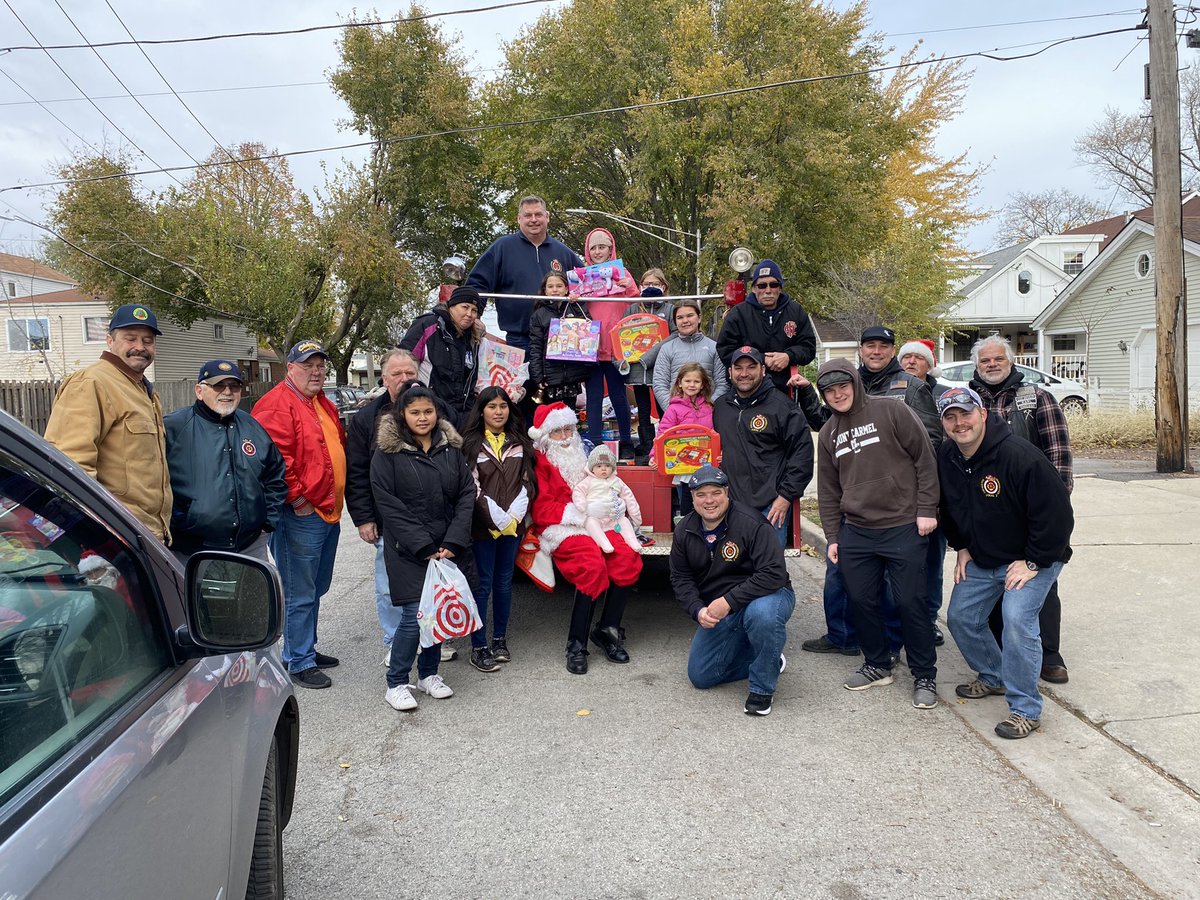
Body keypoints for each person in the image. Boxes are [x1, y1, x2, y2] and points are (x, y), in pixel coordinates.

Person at [938, 387, 1074, 739]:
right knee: (961, 617)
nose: (958, 423)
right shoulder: (947, 457)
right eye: (950, 417)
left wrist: (1033, 561)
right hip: (984, 556)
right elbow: (949, 507)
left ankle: (1025, 709)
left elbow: (1058, 515)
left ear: (983, 414)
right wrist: (962, 545)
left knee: (1016, 620)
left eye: (965, 414)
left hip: (1035, 556)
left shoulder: (1018, 455)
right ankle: (994, 676)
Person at [814, 358, 940, 710]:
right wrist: (833, 536)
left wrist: (927, 509)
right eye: (829, 390)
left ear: (855, 383)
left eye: (843, 386)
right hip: (857, 530)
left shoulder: (891, 411)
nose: (838, 394)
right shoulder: (828, 434)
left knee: (909, 602)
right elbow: (828, 490)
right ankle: (877, 664)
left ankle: (924, 674)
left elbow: (925, 458)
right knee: (861, 601)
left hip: (903, 524)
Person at [968, 335, 1074, 685]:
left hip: (1032, 508)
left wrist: (1056, 503)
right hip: (989, 509)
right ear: (977, 365)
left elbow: (1058, 452)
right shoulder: (967, 401)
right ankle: (1003, 650)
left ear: (1011, 362)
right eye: (986, 361)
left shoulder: (1036, 397)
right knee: (998, 577)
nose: (992, 365)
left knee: (1040, 578)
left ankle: (1049, 652)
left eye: (998, 359)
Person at [371, 384, 475, 711]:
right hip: (409, 549)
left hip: (446, 548)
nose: (422, 418)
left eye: (428, 411)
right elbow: (389, 505)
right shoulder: (387, 453)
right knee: (413, 616)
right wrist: (424, 544)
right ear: (402, 414)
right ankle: (397, 681)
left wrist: (452, 541)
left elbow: (465, 496)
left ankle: (429, 674)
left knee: (437, 611)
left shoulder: (450, 449)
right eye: (414, 412)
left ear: (437, 413)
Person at [253, 340, 346, 690]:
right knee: (299, 589)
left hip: (326, 510)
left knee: (315, 585)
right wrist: (298, 500)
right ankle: (298, 660)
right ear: (290, 368)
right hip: (302, 514)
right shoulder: (278, 404)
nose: (316, 371)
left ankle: (304, 646)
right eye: (308, 365)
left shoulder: (320, 402)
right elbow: (275, 461)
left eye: (320, 365)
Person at [527, 402, 642, 674]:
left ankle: (606, 630)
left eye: (569, 429)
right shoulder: (540, 463)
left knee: (626, 557)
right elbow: (542, 510)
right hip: (563, 525)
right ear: (545, 436)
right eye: (558, 432)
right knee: (591, 565)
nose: (566, 437)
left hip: (599, 522)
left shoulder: (585, 454)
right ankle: (576, 644)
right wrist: (579, 514)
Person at [672, 465, 795, 716]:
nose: (709, 501)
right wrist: (697, 610)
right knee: (701, 676)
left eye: (715, 492)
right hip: (723, 609)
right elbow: (680, 577)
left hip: (767, 594)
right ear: (692, 497)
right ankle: (770, 657)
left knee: (762, 615)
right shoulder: (684, 530)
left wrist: (728, 601)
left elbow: (773, 573)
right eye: (701, 494)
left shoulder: (752, 523)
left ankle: (762, 689)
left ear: (727, 492)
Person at [44, 303, 172, 541]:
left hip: (148, 534)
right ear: (110, 341)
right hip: (115, 536)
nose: (140, 347)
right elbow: (71, 467)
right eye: (130, 338)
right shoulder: (91, 383)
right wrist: (94, 538)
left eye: (147, 340)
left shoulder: (144, 391)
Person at [163, 360, 286, 562]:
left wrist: (267, 521)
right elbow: (152, 480)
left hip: (250, 546)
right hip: (195, 551)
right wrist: (180, 521)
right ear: (199, 391)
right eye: (218, 385)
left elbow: (275, 474)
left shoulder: (251, 426)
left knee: (254, 595)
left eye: (234, 386)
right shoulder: (173, 428)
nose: (227, 392)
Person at [347, 349, 419, 665]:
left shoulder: (434, 410)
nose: (405, 380)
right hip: (387, 519)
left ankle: (428, 637)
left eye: (410, 374)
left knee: (430, 583)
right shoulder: (366, 419)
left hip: (429, 518)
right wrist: (363, 517)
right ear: (385, 379)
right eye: (398, 374)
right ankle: (395, 640)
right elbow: (357, 471)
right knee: (389, 586)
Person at [460, 387, 537, 673]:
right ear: (481, 410)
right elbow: (471, 486)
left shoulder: (520, 442)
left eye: (503, 405)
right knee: (482, 585)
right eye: (491, 406)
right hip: (483, 528)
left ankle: (500, 639)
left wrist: (514, 515)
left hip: (512, 528)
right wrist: (494, 517)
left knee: (504, 583)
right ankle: (478, 646)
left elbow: (528, 483)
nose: (498, 411)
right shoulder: (471, 444)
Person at [712, 346, 813, 546]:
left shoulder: (782, 407)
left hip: (770, 507)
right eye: (738, 368)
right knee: (733, 572)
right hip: (730, 507)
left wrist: (785, 497)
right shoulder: (721, 407)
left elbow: (803, 455)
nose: (744, 374)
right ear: (730, 372)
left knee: (770, 570)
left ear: (763, 370)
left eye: (751, 367)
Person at [466, 195, 584, 353]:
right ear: (519, 219)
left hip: (558, 337)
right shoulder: (502, 248)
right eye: (528, 215)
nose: (533, 219)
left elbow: (586, 285)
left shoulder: (564, 253)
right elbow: (477, 283)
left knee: (556, 379)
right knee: (523, 379)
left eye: (538, 214)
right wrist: (475, 315)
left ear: (547, 217)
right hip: (519, 340)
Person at [715, 259, 816, 394]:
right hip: (746, 392)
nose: (768, 290)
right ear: (754, 288)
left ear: (780, 287)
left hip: (786, 390)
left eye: (773, 285)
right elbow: (725, 351)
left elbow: (809, 348)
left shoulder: (795, 311)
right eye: (762, 285)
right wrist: (761, 359)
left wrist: (788, 356)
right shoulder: (738, 314)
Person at [581, 227, 639, 458]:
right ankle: (594, 442)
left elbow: (637, 302)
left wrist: (630, 287)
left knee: (619, 396)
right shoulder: (583, 276)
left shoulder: (622, 274)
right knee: (593, 398)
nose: (597, 252)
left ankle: (626, 441)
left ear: (611, 248)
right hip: (591, 348)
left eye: (602, 247)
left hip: (617, 349)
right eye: (593, 248)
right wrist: (573, 295)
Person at [400, 285, 484, 428]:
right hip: (431, 415)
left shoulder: (474, 339)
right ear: (451, 306)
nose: (469, 314)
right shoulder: (428, 325)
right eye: (465, 307)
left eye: (474, 310)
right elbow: (403, 362)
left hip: (465, 417)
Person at [857, 325, 942, 448]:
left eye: (883, 346)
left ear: (893, 351)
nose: (876, 351)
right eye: (870, 345)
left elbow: (931, 439)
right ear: (861, 350)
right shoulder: (848, 386)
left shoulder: (914, 386)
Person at [649, 362, 714, 518]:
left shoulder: (709, 407)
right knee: (687, 502)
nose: (692, 385)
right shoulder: (673, 409)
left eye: (696, 381)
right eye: (687, 381)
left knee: (707, 500)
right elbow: (663, 433)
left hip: (705, 463)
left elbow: (715, 433)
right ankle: (688, 533)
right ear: (680, 383)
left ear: (703, 384)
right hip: (683, 465)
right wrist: (654, 455)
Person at [623, 269, 675, 457]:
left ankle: (664, 442)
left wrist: (653, 353)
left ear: (663, 286)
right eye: (646, 284)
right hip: (638, 369)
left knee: (664, 408)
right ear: (639, 286)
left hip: (662, 369)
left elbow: (675, 334)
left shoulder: (670, 310)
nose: (650, 288)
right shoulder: (633, 309)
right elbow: (622, 335)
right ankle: (646, 446)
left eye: (655, 284)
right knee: (643, 410)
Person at [528, 270, 593, 405]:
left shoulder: (575, 308)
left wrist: (576, 303)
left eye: (559, 286)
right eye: (550, 286)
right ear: (545, 290)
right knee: (552, 417)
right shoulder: (539, 315)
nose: (555, 290)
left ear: (566, 289)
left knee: (570, 414)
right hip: (550, 375)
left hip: (572, 374)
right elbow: (536, 347)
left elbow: (588, 328)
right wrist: (537, 376)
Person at [652, 299, 729, 411]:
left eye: (690, 315)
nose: (685, 321)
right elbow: (659, 384)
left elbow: (722, 383)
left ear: (699, 318)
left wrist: (709, 408)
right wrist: (673, 411)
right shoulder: (667, 349)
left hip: (708, 415)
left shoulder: (714, 347)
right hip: (677, 416)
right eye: (680, 317)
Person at [573, 444, 643, 553]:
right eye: (599, 466)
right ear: (592, 469)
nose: (603, 469)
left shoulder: (616, 481)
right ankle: (604, 544)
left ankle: (633, 541)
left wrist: (635, 516)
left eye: (607, 466)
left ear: (612, 468)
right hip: (596, 516)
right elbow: (578, 491)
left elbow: (629, 497)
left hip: (614, 517)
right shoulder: (589, 481)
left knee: (624, 522)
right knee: (590, 522)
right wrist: (581, 505)